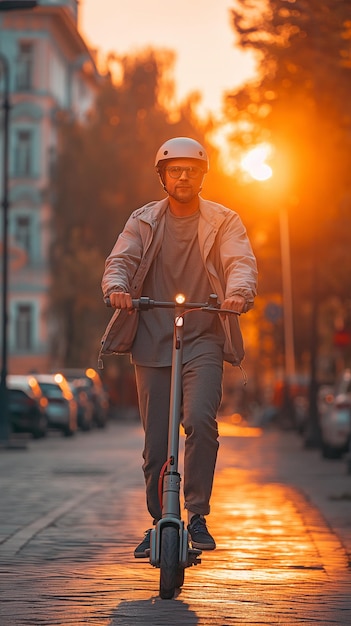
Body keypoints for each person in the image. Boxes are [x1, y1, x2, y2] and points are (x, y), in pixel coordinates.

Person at [100, 137, 257, 556]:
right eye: (175, 170)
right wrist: (116, 287)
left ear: (203, 175)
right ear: (163, 177)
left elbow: (238, 260)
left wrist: (238, 293)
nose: (183, 176)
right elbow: (122, 258)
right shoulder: (144, 220)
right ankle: (159, 520)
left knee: (201, 422)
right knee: (155, 447)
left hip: (203, 334)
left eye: (191, 169)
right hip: (152, 337)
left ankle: (199, 514)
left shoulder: (224, 221)